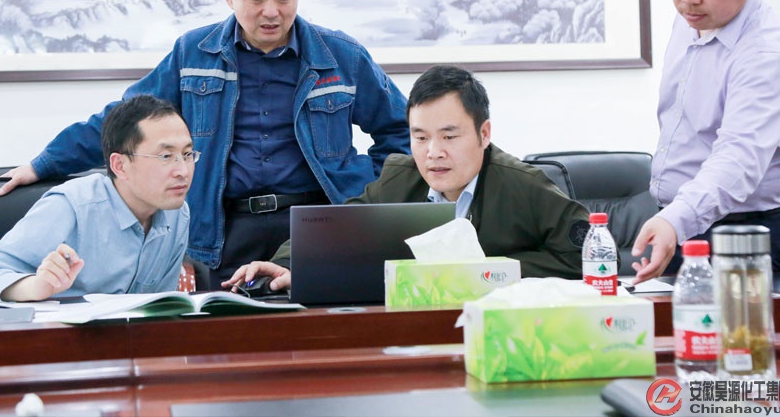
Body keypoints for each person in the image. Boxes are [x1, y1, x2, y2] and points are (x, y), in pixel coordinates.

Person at [0, 0, 410, 288]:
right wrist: (44, 164)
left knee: (321, 332)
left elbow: (403, 131)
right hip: (226, 226)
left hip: (319, 220)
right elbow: (125, 121)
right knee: (227, 335)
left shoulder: (341, 56)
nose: (271, 11)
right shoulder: (194, 53)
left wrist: (369, 190)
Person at [224, 65, 591, 292]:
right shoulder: (400, 178)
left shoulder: (523, 185)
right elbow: (337, 231)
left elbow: (588, 256)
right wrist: (288, 263)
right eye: (421, 137)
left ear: (484, 134)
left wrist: (489, 271)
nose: (433, 152)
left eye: (449, 136)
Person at [630, 0, 780, 283]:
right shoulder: (692, 20)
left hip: (746, 238)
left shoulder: (766, 55)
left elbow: (738, 159)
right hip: (682, 223)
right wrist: (673, 220)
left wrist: (675, 220)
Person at [0, 95, 194, 303]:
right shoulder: (71, 207)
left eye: (187, 154)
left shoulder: (177, 212)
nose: (183, 171)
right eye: (166, 156)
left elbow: (159, 307)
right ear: (120, 165)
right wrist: (36, 286)